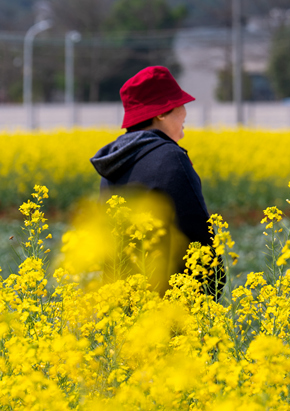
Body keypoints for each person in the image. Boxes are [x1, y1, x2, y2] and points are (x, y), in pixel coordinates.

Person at [90, 65, 220, 294]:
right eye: (180, 105)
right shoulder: (171, 158)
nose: (185, 113)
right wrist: (211, 290)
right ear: (161, 112)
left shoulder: (113, 164)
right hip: (173, 304)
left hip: (124, 303)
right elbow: (196, 231)